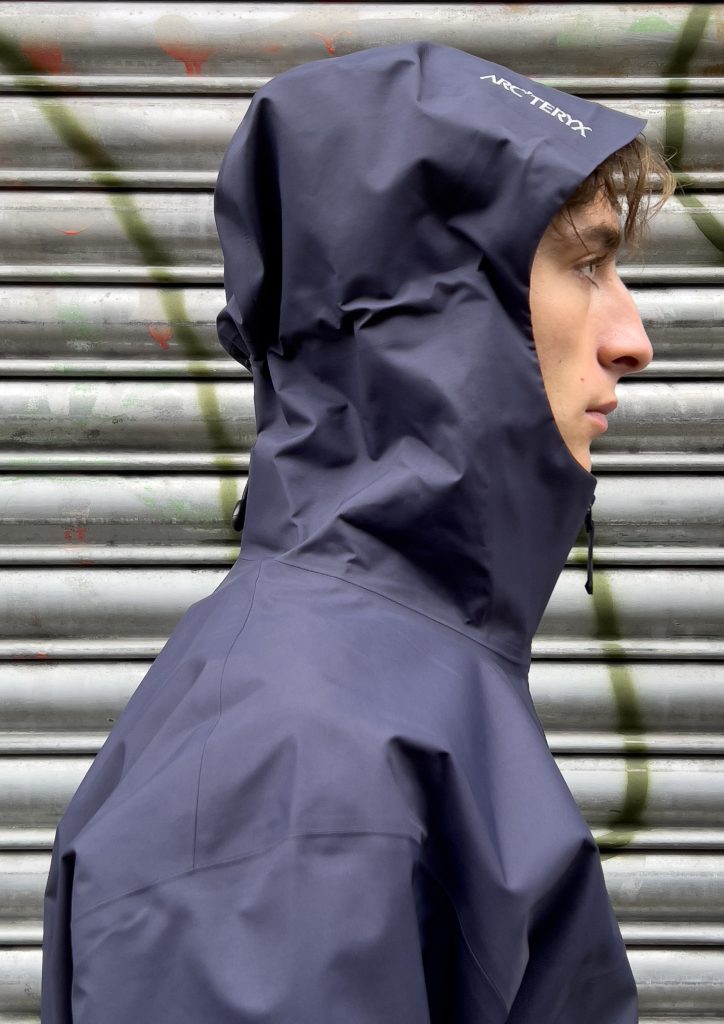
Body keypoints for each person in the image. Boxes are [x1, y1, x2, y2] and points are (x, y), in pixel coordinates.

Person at [40, 40, 673, 1023]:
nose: (634, 340)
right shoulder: (295, 760)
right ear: (433, 310)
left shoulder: (394, 691)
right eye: (586, 264)